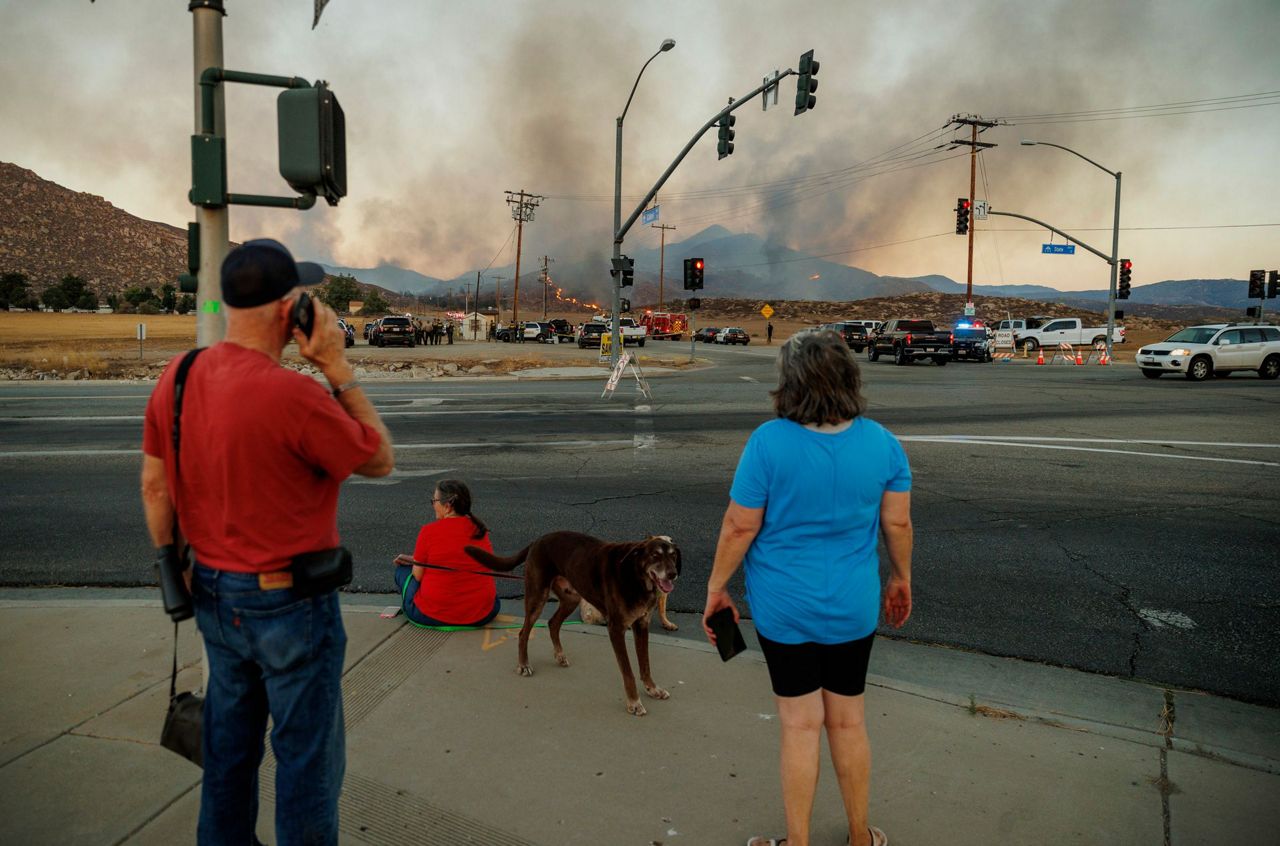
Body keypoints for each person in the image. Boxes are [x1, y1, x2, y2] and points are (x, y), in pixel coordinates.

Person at [140, 238, 395, 845]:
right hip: (291, 607)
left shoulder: (177, 376)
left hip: (213, 596)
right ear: (290, 311)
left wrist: (174, 566)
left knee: (227, 756)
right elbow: (380, 458)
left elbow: (154, 488)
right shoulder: (296, 395)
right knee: (306, 763)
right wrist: (335, 365)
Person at [701, 328, 912, 846]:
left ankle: (798, 843)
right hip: (853, 606)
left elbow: (739, 526)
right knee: (848, 722)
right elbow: (898, 526)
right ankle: (861, 837)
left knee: (799, 725)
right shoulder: (883, 443)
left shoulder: (768, 443)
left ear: (788, 383)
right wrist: (901, 578)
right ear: (849, 377)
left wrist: (715, 589)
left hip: (785, 609)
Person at [394, 479, 501, 627]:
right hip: (483, 612)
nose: (433, 505)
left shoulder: (428, 531)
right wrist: (415, 559)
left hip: (435, 614)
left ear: (448, 506)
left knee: (402, 571)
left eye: (434, 500)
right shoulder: (480, 530)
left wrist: (414, 562)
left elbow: (417, 576)